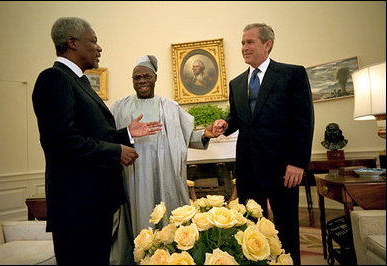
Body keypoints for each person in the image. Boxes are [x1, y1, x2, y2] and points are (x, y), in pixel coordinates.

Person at [32, 17, 162, 265]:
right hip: (77, 209)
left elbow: (92, 135)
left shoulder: (79, 82)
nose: (99, 48)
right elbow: (61, 141)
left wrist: (127, 134)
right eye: (93, 41)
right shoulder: (54, 79)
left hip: (94, 206)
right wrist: (115, 152)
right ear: (72, 42)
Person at [213, 23, 314, 265]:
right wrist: (225, 124)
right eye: (242, 43)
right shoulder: (236, 83)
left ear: (267, 44)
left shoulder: (292, 74)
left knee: (286, 229)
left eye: (250, 42)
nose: (244, 48)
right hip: (248, 169)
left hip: (284, 170)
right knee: (252, 232)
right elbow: (238, 118)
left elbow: (304, 121)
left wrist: (298, 163)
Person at [110, 55, 222, 264]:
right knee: (139, 224)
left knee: (168, 222)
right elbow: (108, 137)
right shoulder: (120, 107)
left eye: (146, 76)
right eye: (136, 77)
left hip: (166, 174)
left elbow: (188, 136)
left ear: (155, 78)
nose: (141, 80)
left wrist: (206, 134)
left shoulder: (170, 107)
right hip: (133, 176)